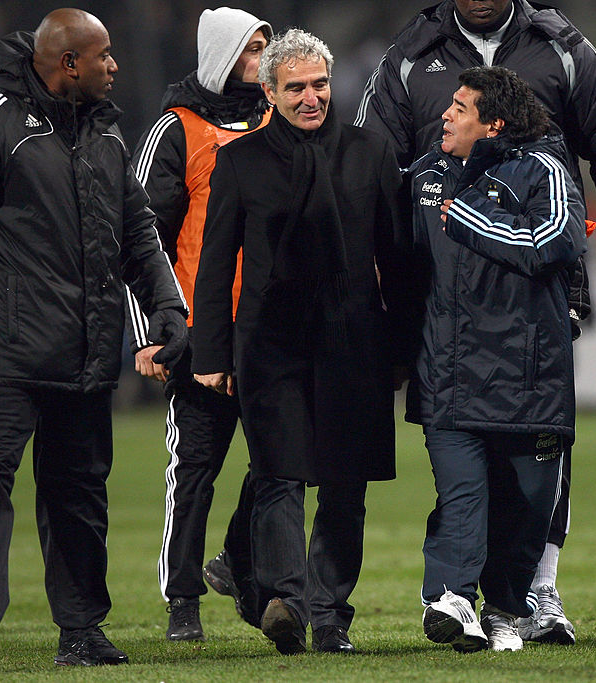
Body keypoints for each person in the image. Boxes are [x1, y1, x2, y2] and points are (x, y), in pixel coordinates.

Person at [355, 0, 596, 644]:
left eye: (458, 110)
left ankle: (534, 592)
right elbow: (367, 169)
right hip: (446, 313)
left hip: (534, 312)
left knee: (536, 469)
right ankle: (464, 595)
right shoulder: (410, 57)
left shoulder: (564, 50)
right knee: (467, 470)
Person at [0, 8, 188, 675]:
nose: (114, 65)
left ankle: (81, 631)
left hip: (85, 355)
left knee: (81, 493)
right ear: (68, 64)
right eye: (104, 56)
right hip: (5, 351)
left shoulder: (107, 135)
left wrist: (167, 309)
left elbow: (139, 234)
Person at [190, 29, 416, 655]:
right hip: (270, 342)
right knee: (278, 475)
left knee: (347, 484)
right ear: (270, 93)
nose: (312, 97)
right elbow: (216, 266)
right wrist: (209, 353)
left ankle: (331, 616)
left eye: (319, 84)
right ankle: (286, 601)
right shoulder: (239, 162)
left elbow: (397, 263)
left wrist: (402, 348)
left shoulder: (372, 153)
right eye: (296, 88)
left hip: (355, 338)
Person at [410, 65, 585, 652]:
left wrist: (466, 218)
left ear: (492, 125)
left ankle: (508, 609)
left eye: (459, 107)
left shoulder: (544, 169)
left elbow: (553, 242)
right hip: (450, 372)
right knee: (463, 496)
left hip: (528, 376)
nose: (445, 114)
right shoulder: (424, 177)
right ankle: (451, 600)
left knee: (529, 504)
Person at [125, 6, 272, 642]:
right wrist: (153, 331)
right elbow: (136, 238)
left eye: (265, 47)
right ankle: (182, 599)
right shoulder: (175, 128)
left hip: (273, 328)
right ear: (220, 56)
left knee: (280, 466)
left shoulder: (282, 118)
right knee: (195, 470)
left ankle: (238, 563)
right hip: (202, 329)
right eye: (251, 49)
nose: (262, 62)